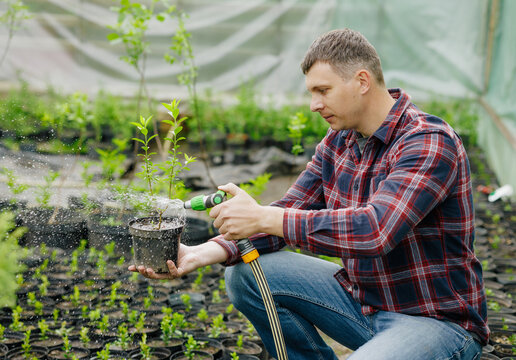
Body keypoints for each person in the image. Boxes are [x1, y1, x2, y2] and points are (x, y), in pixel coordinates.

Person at [129, 28, 488, 359]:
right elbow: (292, 207)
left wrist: (264, 217)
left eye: (323, 90)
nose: (314, 104)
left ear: (362, 81)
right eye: (311, 93)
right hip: (363, 304)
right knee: (246, 274)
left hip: (434, 321)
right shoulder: (339, 142)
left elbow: (375, 231)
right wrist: (199, 253)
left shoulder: (427, 142)